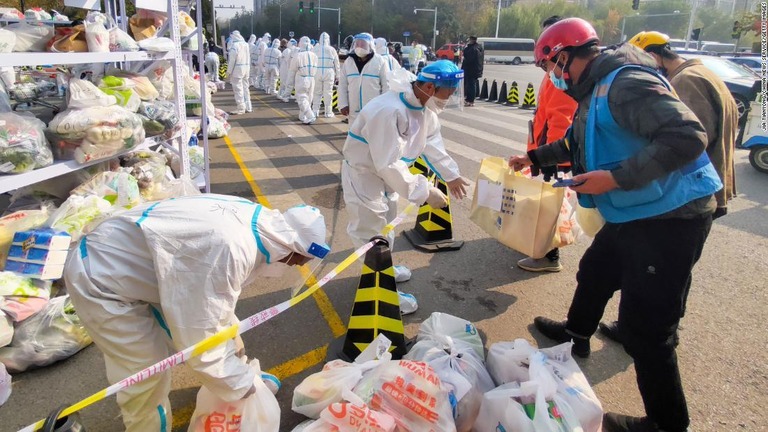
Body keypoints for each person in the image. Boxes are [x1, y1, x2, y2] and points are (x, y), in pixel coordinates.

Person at [508, 18, 722, 432]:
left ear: (564, 56)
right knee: (596, 271)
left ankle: (666, 423)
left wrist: (617, 177)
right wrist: (532, 159)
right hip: (634, 210)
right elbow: (575, 142)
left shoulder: (626, 84)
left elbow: (687, 136)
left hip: (670, 218)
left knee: (647, 329)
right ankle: (576, 335)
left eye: (551, 67)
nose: (552, 76)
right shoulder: (595, 89)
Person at [64, 195, 331, 432]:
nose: (298, 266)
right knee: (145, 375)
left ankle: (242, 377)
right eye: (301, 261)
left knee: (226, 326)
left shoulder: (256, 223)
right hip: (102, 279)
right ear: (293, 248)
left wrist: (241, 377)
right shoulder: (230, 250)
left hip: (145, 265)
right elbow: (201, 340)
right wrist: (239, 386)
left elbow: (216, 310)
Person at [597, 30, 739, 344]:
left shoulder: (686, 82)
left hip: (688, 194)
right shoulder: (706, 74)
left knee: (661, 272)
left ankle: (658, 332)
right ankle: (659, 327)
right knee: (674, 270)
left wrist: (620, 175)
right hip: (708, 187)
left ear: (655, 55)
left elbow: (680, 143)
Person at [342, 60, 470, 284]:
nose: (447, 100)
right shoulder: (388, 110)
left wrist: (451, 175)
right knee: (370, 227)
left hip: (386, 176)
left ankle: (385, 271)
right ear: (429, 88)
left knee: (387, 222)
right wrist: (425, 192)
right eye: (447, 94)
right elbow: (388, 163)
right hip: (365, 174)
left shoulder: (423, 108)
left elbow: (432, 143)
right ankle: (378, 288)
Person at [517, 15, 577, 273]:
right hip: (544, 150)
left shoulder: (562, 75)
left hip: (552, 154)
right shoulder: (553, 72)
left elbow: (561, 120)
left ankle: (547, 256)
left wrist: (547, 156)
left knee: (549, 207)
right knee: (546, 205)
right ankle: (542, 248)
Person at [338, 33, 389, 126]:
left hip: (374, 109)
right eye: (357, 44)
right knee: (354, 137)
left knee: (372, 136)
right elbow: (342, 85)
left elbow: (386, 85)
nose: (359, 47)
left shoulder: (380, 62)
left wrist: (384, 106)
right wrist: (343, 104)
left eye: (363, 44)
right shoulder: (348, 62)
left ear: (370, 45)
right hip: (353, 109)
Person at [290, 36, 319, 124]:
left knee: (301, 98)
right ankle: (303, 116)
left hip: (302, 78)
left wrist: (288, 85)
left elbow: (292, 70)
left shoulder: (298, 55)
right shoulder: (314, 55)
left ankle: (310, 116)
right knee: (309, 98)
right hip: (312, 78)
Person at [312, 32, 341, 118]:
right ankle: (328, 112)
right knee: (328, 92)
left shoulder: (315, 48)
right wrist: (338, 76)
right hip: (329, 71)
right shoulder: (332, 49)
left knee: (316, 92)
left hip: (317, 71)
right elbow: (337, 64)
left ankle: (315, 111)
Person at [225, 30, 252, 115]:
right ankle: (248, 107)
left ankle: (241, 108)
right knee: (245, 88)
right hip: (246, 68)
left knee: (238, 89)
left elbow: (232, 60)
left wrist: (228, 72)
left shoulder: (235, 46)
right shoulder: (246, 45)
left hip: (237, 69)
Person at [461, 36, 483, 107]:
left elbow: (468, 58)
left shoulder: (472, 49)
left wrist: (465, 48)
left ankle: (470, 100)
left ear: (472, 40)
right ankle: (470, 99)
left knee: (471, 86)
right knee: (472, 85)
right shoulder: (479, 48)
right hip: (477, 69)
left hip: (470, 70)